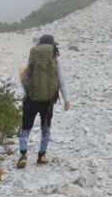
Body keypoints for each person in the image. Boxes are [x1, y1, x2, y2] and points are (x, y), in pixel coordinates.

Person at [17, 34, 71, 168]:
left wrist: (28, 93)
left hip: (30, 99)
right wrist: (66, 100)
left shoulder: (33, 58)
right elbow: (62, 81)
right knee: (45, 129)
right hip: (47, 101)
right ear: (53, 47)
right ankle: (41, 157)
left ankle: (23, 155)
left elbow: (25, 78)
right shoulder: (56, 61)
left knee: (26, 128)